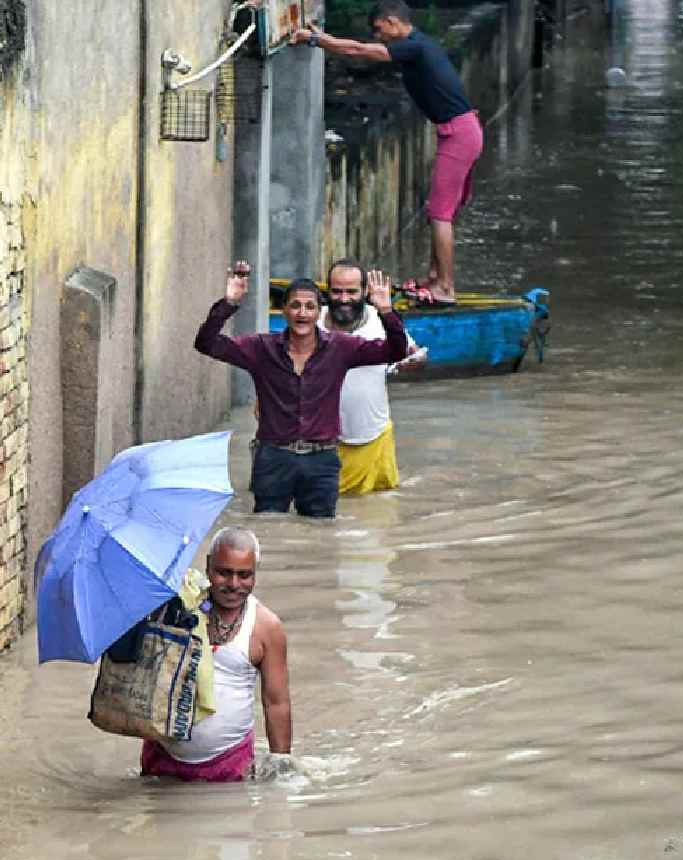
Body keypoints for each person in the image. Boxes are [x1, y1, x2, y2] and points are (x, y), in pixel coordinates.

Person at [292, 0, 483, 305]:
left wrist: (315, 40)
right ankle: (435, 277)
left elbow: (358, 51)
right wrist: (321, 36)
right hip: (461, 131)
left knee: (439, 214)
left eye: (380, 30)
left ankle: (445, 287)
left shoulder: (415, 47)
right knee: (439, 211)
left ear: (394, 22)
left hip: (459, 134)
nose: (378, 37)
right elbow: (359, 47)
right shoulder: (418, 46)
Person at [194, 260, 409, 517]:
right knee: (269, 529)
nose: (302, 313)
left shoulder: (341, 348)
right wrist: (230, 303)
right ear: (283, 311)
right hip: (273, 459)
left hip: (322, 461)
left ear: (319, 313)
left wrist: (385, 309)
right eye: (295, 306)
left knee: (321, 534)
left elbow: (396, 351)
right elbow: (206, 343)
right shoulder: (262, 349)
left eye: (310, 307)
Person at [141, 527, 290, 782]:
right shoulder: (181, 606)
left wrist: (281, 768)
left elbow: (276, 704)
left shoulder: (266, 627)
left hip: (230, 764)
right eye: (224, 573)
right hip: (162, 758)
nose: (233, 584)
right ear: (208, 567)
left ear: (255, 574)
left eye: (244, 575)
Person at [319, 258, 423, 496]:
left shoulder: (380, 321)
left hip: (374, 437)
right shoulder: (312, 322)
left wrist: (410, 363)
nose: (344, 299)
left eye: (351, 292)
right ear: (327, 291)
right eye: (337, 291)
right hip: (323, 443)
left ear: (364, 292)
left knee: (380, 509)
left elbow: (414, 355)